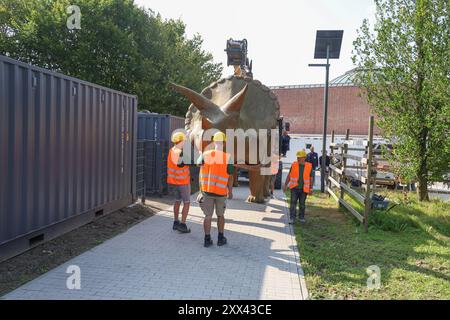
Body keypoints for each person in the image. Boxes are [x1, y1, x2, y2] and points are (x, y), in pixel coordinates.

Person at [196, 131, 234, 247]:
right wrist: (230, 191)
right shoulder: (228, 158)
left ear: (214, 142)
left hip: (207, 191)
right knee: (220, 215)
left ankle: (207, 240)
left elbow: (198, 166)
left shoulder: (205, 154)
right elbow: (230, 176)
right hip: (221, 193)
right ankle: (220, 238)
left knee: (207, 216)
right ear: (223, 143)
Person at [167, 132, 191, 233]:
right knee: (186, 202)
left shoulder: (171, 151)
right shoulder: (181, 153)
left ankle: (175, 222)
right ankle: (183, 224)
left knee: (177, 201)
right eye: (184, 141)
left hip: (173, 182)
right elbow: (191, 162)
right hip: (183, 182)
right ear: (181, 141)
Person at [283, 150, 314, 224]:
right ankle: (292, 218)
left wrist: (311, 188)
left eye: (299, 157)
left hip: (304, 189)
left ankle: (301, 218)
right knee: (293, 203)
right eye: (297, 157)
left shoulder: (309, 166)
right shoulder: (294, 165)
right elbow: (289, 175)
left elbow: (311, 178)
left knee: (302, 204)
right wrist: (285, 185)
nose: (298, 159)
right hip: (294, 188)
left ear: (304, 157)